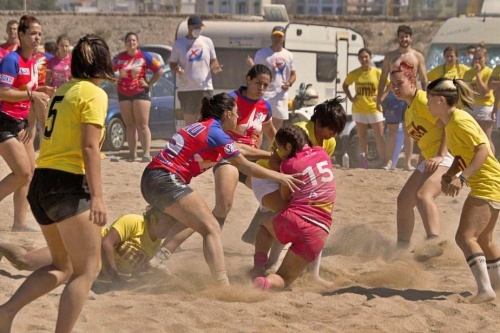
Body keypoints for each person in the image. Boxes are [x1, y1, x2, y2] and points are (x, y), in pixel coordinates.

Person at [0, 34, 115, 332]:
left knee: (62, 266)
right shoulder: (94, 93)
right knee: (87, 270)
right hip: (68, 183)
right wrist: (98, 198)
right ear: (102, 63)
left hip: (42, 182)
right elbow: (90, 147)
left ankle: (6, 311)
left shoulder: (64, 89)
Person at [141, 93, 303, 286]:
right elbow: (245, 166)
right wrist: (281, 176)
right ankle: (222, 284)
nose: (238, 117)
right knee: (211, 226)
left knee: (198, 219)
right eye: (236, 113)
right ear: (227, 114)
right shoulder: (214, 131)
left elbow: (240, 148)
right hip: (164, 179)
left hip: (151, 179)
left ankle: (160, 258)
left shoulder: (207, 127)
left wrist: (270, 155)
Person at [156, 64, 276, 257]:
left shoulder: (265, 106)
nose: (261, 88)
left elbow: (270, 131)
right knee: (223, 206)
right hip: (228, 157)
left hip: (252, 157)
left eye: (266, 85)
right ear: (248, 79)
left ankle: (252, 235)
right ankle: (174, 247)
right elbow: (212, 128)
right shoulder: (232, 100)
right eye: (258, 83)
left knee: (274, 197)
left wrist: (280, 149)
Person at [244, 97, 346, 287]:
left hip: (290, 178)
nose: (333, 135)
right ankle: (264, 266)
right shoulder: (297, 132)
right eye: (331, 129)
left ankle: (309, 273)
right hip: (269, 176)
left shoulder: (328, 142)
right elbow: (275, 162)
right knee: (291, 213)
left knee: (306, 216)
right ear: (319, 122)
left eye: (337, 131)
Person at [428, 77, 500, 303]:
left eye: (429, 99)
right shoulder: (451, 123)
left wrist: (463, 179)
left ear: (440, 100)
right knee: (485, 239)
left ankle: (485, 290)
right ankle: (496, 288)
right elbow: (463, 155)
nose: (427, 104)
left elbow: (483, 151)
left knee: (465, 237)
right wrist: (449, 175)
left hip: (488, 182)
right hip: (489, 182)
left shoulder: (459, 120)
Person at [0, 206, 177, 284]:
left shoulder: (155, 245)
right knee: (24, 261)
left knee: (37, 257)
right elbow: (105, 243)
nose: (169, 228)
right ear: (153, 219)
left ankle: (27, 249)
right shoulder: (134, 222)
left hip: (86, 270)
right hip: (80, 250)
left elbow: (138, 267)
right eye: (167, 223)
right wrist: (114, 277)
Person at [391, 61, 453, 246]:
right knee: (404, 201)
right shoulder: (409, 110)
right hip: (430, 158)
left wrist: (441, 154)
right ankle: (402, 248)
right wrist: (421, 164)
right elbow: (425, 141)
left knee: (423, 196)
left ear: (412, 81)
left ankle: (434, 244)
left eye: (399, 83)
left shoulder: (424, 100)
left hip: (449, 155)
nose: (395, 88)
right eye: (392, 85)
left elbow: (449, 123)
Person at [0, 15, 50, 232]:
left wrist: (36, 125)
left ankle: (19, 224)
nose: (37, 37)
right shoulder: (11, 59)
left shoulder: (36, 62)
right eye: (32, 33)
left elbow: (34, 97)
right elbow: (2, 92)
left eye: (39, 33)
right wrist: (32, 93)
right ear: (21, 35)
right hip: (4, 122)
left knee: (30, 174)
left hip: (22, 123)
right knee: (21, 172)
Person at [377, 25, 428, 171]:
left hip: (412, 97)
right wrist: (378, 98)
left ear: (410, 38)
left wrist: (427, 97)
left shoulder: (417, 56)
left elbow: (424, 79)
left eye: (406, 36)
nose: (404, 39)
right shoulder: (390, 56)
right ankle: (388, 162)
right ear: (398, 38)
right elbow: (382, 79)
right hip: (393, 97)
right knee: (392, 130)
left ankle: (407, 163)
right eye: (401, 36)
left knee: (409, 130)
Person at [113, 32, 163, 162]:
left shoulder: (145, 56)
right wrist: (114, 80)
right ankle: (132, 153)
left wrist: (149, 83)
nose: (131, 43)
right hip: (123, 93)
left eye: (134, 40)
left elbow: (159, 70)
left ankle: (146, 153)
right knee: (129, 124)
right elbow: (109, 71)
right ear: (125, 43)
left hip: (140, 92)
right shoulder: (119, 58)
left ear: (137, 42)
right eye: (129, 40)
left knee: (142, 124)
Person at [169, 15, 222, 127]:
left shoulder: (207, 41)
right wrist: (177, 69)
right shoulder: (179, 43)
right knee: (190, 124)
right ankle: (192, 143)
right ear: (189, 27)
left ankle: (204, 144)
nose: (199, 30)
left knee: (206, 120)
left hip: (205, 87)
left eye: (200, 27)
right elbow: (172, 63)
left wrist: (216, 67)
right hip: (186, 88)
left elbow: (213, 60)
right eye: (196, 27)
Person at [342, 47, 387, 168]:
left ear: (370, 57)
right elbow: (345, 85)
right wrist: (351, 98)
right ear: (358, 59)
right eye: (361, 57)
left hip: (374, 108)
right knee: (362, 137)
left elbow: (390, 85)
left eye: (366, 56)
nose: (364, 59)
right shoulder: (355, 73)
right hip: (359, 108)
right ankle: (364, 163)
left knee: (380, 137)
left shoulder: (377, 72)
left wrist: (381, 97)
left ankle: (384, 162)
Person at [247, 25, 296, 130]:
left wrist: (289, 83)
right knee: (260, 125)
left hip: (280, 96)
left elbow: (293, 74)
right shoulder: (262, 53)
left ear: (284, 38)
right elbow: (256, 71)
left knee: (276, 128)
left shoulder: (289, 55)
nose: (277, 39)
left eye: (280, 36)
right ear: (271, 37)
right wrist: (252, 66)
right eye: (275, 36)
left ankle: (272, 146)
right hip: (266, 94)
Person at [463, 44, 495, 155]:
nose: (477, 60)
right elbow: (466, 91)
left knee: (486, 137)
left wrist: (477, 75)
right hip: (471, 106)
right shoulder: (468, 72)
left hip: (484, 107)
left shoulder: (489, 72)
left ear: (485, 59)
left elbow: (484, 91)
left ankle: (492, 160)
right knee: (471, 136)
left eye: (480, 58)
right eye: (475, 58)